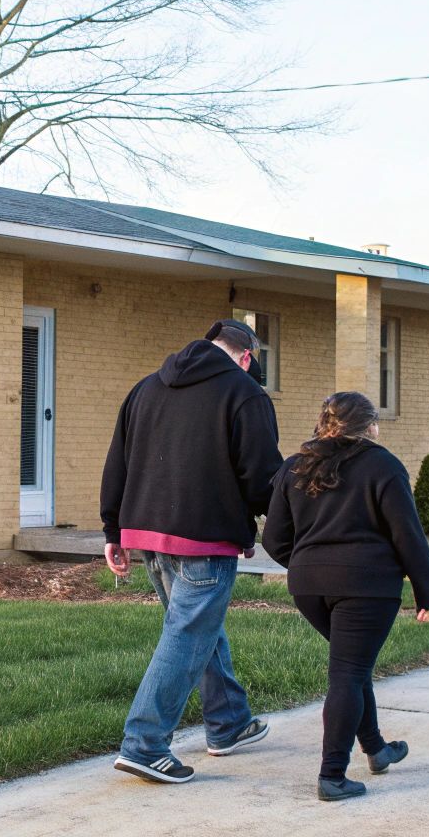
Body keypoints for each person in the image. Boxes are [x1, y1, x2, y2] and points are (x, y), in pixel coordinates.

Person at [100, 319, 284, 784]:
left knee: (198, 628)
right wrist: (276, 527)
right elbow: (262, 476)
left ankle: (228, 723)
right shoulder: (244, 393)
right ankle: (144, 744)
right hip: (205, 537)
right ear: (246, 357)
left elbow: (117, 458)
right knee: (187, 635)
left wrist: (112, 529)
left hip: (146, 535)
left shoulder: (145, 387)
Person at [262, 392, 429, 802]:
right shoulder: (383, 465)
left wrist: (309, 564)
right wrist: (426, 592)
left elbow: (274, 538)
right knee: (348, 671)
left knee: (352, 666)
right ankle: (332, 775)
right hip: (366, 587)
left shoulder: (295, 466)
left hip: (309, 587)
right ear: (369, 426)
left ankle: (376, 749)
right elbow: (407, 535)